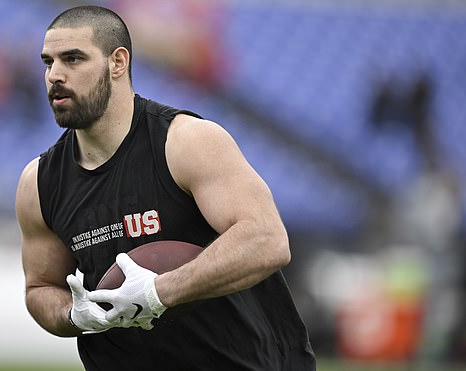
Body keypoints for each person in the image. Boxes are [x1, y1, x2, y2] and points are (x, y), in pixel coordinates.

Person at [16, 5, 315, 370]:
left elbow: (266, 240)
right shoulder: (39, 183)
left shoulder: (185, 142)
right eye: (48, 62)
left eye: (73, 59)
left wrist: (158, 293)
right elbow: (40, 288)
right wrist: (73, 315)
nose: (55, 75)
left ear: (118, 62)